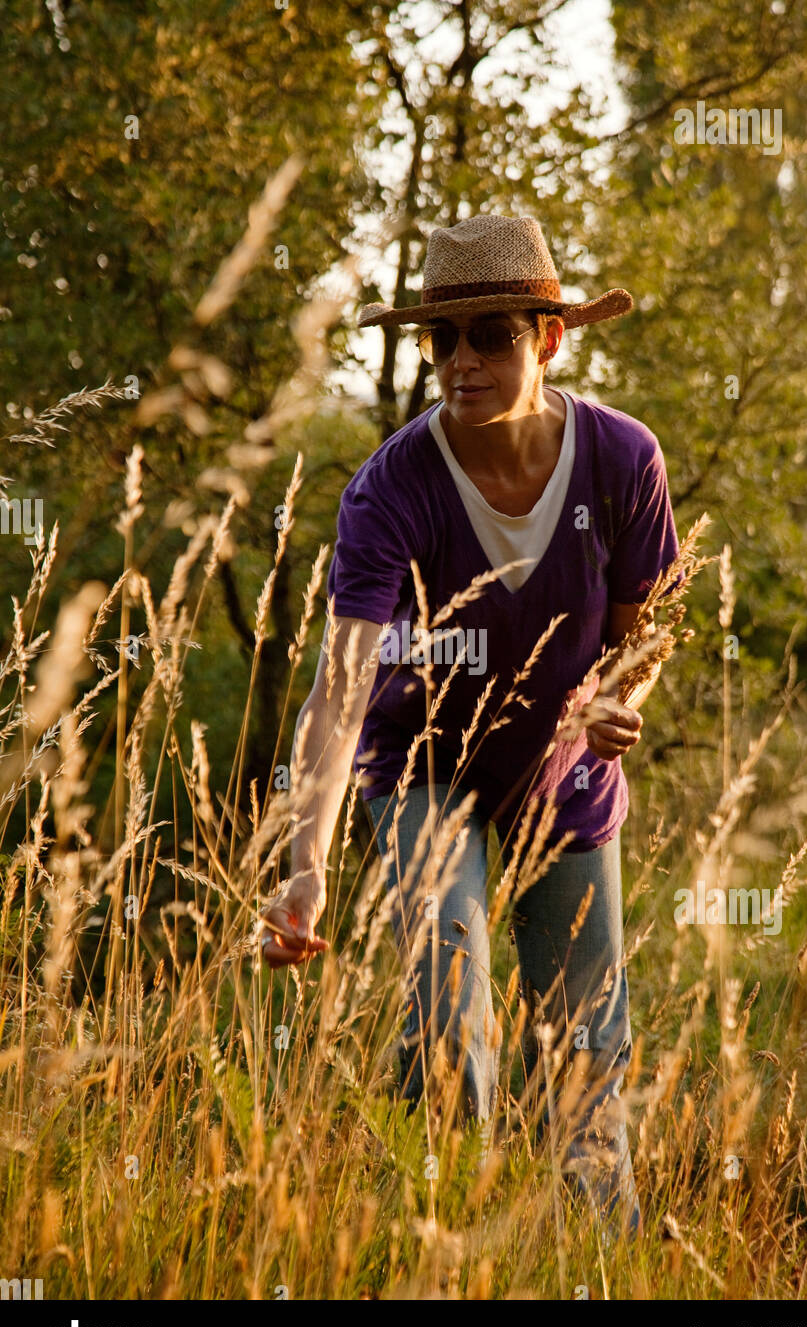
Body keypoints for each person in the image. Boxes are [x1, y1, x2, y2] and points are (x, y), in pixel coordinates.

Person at [259, 214, 679, 1242]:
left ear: (547, 338)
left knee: (584, 1056)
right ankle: (435, 1246)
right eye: (439, 340)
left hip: (565, 788)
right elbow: (339, 689)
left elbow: (645, 627)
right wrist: (305, 861)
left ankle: (597, 1265)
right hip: (422, 773)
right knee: (446, 1023)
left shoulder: (623, 458)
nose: (459, 362)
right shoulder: (391, 485)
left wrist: (618, 696)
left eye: (487, 334)